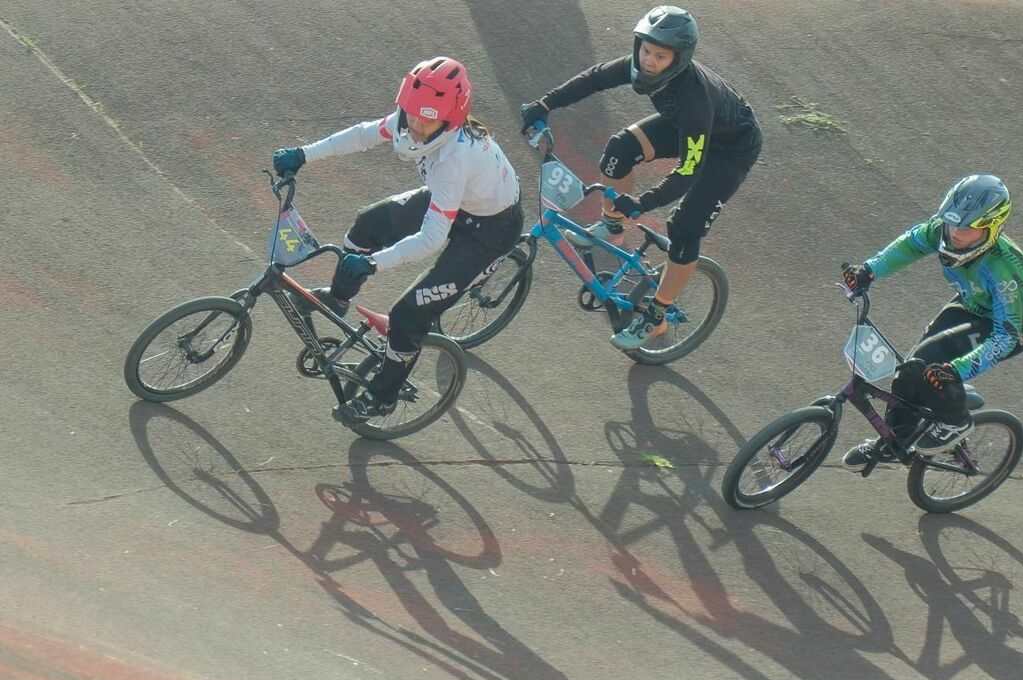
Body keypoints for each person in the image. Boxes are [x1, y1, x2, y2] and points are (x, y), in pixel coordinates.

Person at [271, 57, 522, 425]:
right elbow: (362, 135)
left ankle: (382, 397)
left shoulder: (455, 160)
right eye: (411, 114)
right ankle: (339, 298)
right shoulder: (418, 120)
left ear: (451, 119)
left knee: (409, 313)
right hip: (458, 203)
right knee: (367, 225)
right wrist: (303, 154)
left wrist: (374, 263)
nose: (416, 126)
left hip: (488, 234)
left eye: (428, 119)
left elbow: (432, 239)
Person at [520, 5, 762, 351]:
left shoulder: (694, 100)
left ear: (678, 59)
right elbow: (595, 78)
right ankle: (613, 229)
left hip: (729, 150)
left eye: (659, 56)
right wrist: (545, 104)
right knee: (620, 149)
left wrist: (643, 203)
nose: (648, 60)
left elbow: (689, 170)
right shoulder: (642, 65)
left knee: (684, 228)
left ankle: (657, 317)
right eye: (645, 50)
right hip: (687, 129)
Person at [839, 174, 1023, 466]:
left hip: (1010, 325)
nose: (955, 234)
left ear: (992, 227)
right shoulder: (943, 230)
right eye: (952, 224)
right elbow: (909, 246)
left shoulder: (1004, 271)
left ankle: (956, 421)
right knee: (909, 370)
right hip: (971, 302)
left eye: (967, 229)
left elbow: (1005, 337)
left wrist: (957, 370)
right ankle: (894, 439)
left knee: (935, 370)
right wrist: (869, 271)